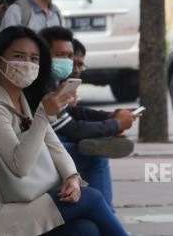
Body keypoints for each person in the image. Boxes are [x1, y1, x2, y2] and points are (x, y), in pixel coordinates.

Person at [0, 26, 128, 236]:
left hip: (21, 201)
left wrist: (71, 177)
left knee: (86, 230)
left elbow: (54, 146)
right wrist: (44, 115)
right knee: (93, 198)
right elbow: (20, 165)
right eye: (18, 56)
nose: (27, 64)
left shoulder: (23, 101)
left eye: (34, 58)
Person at [25, 26, 136, 211]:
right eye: (60, 55)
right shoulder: (39, 86)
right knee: (95, 157)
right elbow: (73, 128)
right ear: (43, 55)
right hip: (38, 154)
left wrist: (109, 116)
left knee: (88, 226)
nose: (68, 63)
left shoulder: (52, 82)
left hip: (51, 144)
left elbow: (72, 114)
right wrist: (115, 124)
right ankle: (108, 213)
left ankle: (103, 214)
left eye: (70, 56)